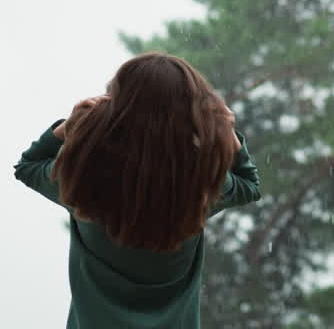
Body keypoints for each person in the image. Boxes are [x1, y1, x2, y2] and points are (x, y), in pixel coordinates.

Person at [14, 52, 261, 329]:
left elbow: (28, 167)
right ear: (188, 114)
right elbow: (249, 185)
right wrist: (225, 129)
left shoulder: (82, 178)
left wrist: (69, 126)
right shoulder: (198, 185)